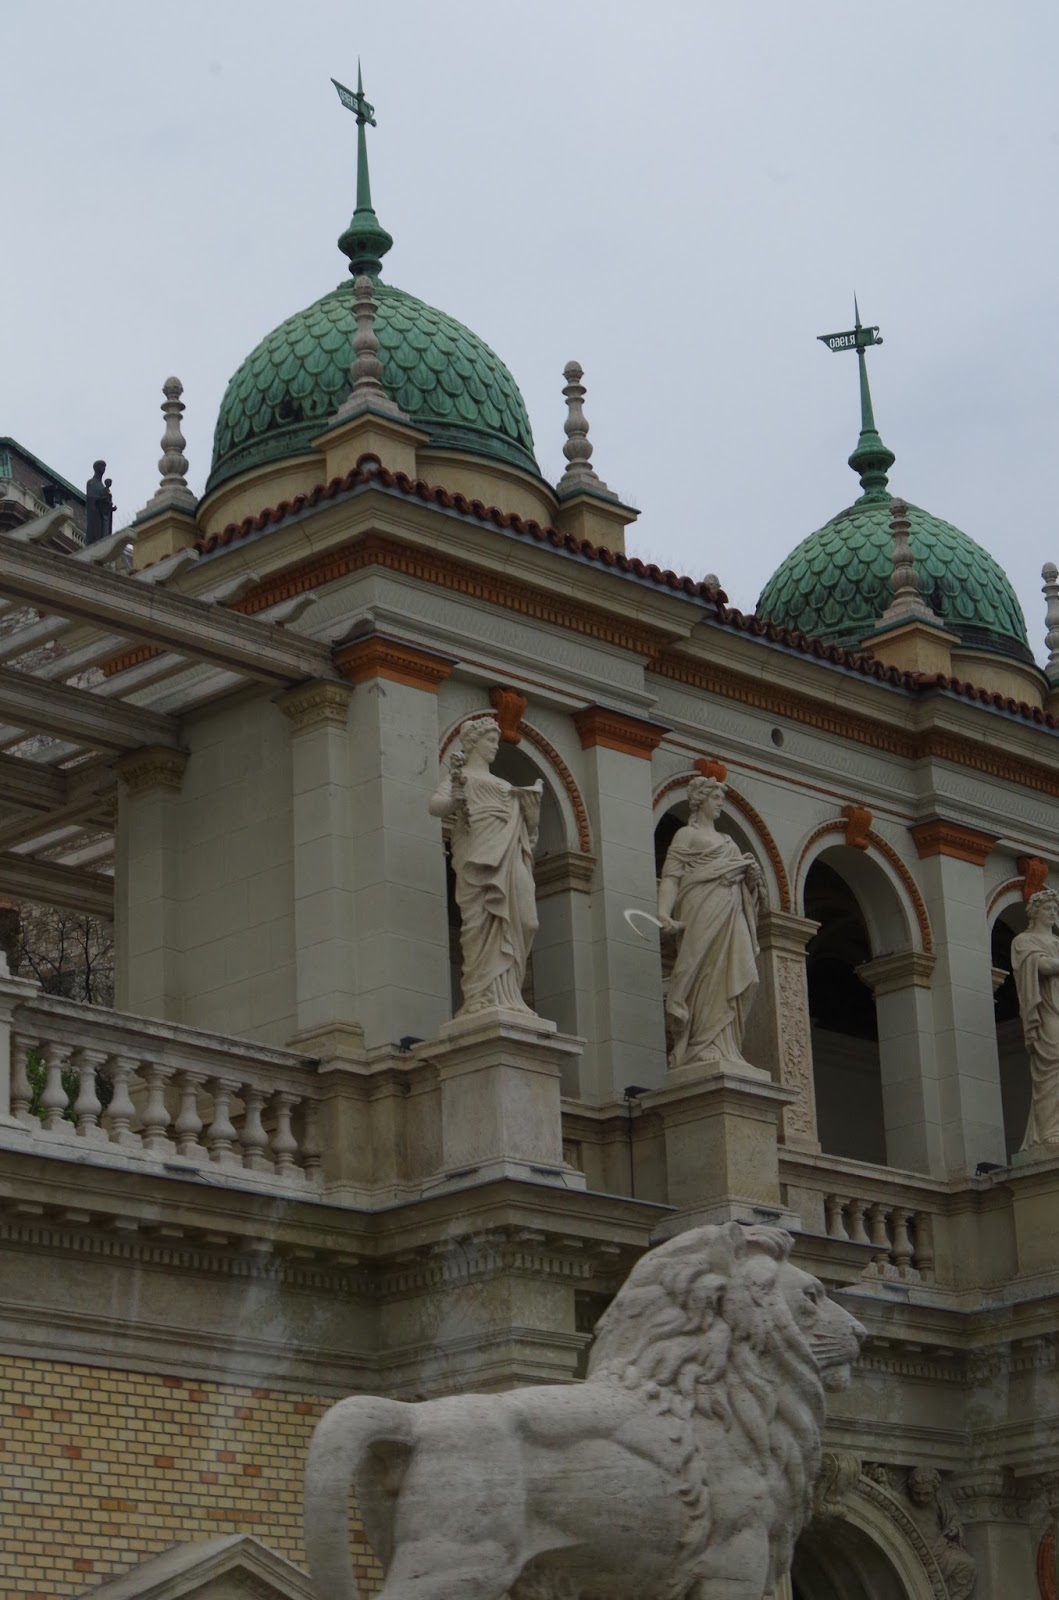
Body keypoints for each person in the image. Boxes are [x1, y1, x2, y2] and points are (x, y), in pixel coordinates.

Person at [429, 715, 542, 1017]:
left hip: (509, 855)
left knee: (526, 920)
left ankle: (511, 995)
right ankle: (482, 996)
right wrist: (455, 797)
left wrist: (532, 817)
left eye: (496, 741)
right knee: (481, 923)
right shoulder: (461, 778)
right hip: (477, 855)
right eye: (490, 740)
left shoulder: (505, 785)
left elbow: (528, 837)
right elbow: (435, 806)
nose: (495, 746)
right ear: (473, 743)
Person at [657, 774, 764, 1070]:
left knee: (745, 975)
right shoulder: (686, 836)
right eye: (716, 799)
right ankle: (699, 1045)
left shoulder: (729, 843)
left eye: (721, 799)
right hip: (699, 908)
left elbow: (747, 888)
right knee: (703, 971)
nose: (720, 804)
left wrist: (752, 880)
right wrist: (664, 912)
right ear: (700, 801)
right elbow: (671, 877)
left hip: (731, 911)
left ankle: (727, 1046)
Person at [1011, 887, 1059, 1149]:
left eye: (1055, 909)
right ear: (1035, 912)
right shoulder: (1024, 941)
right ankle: (1050, 1129)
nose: (1053, 913)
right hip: (1047, 1010)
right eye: (1048, 908)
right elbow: (1046, 966)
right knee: (1052, 1066)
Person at [906, 1467, 977, 1600]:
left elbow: (954, 1521)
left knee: (968, 1564)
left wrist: (953, 1529)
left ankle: (943, 1595)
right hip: (914, 1554)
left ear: (935, 1490)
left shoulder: (940, 1503)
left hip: (939, 1552)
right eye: (917, 1493)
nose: (921, 1498)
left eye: (927, 1494)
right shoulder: (905, 1502)